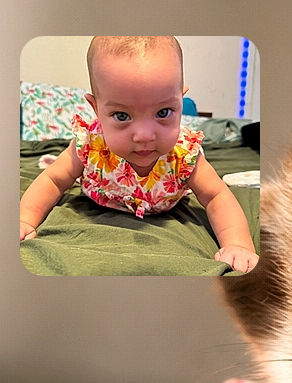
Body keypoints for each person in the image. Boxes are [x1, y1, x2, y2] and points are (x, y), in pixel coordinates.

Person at [19, 36, 258, 273]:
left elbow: (217, 196)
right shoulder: (89, 144)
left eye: (164, 112)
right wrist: (25, 220)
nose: (144, 135)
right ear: (96, 109)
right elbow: (52, 179)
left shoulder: (185, 153)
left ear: (180, 101)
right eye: (122, 116)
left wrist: (237, 244)